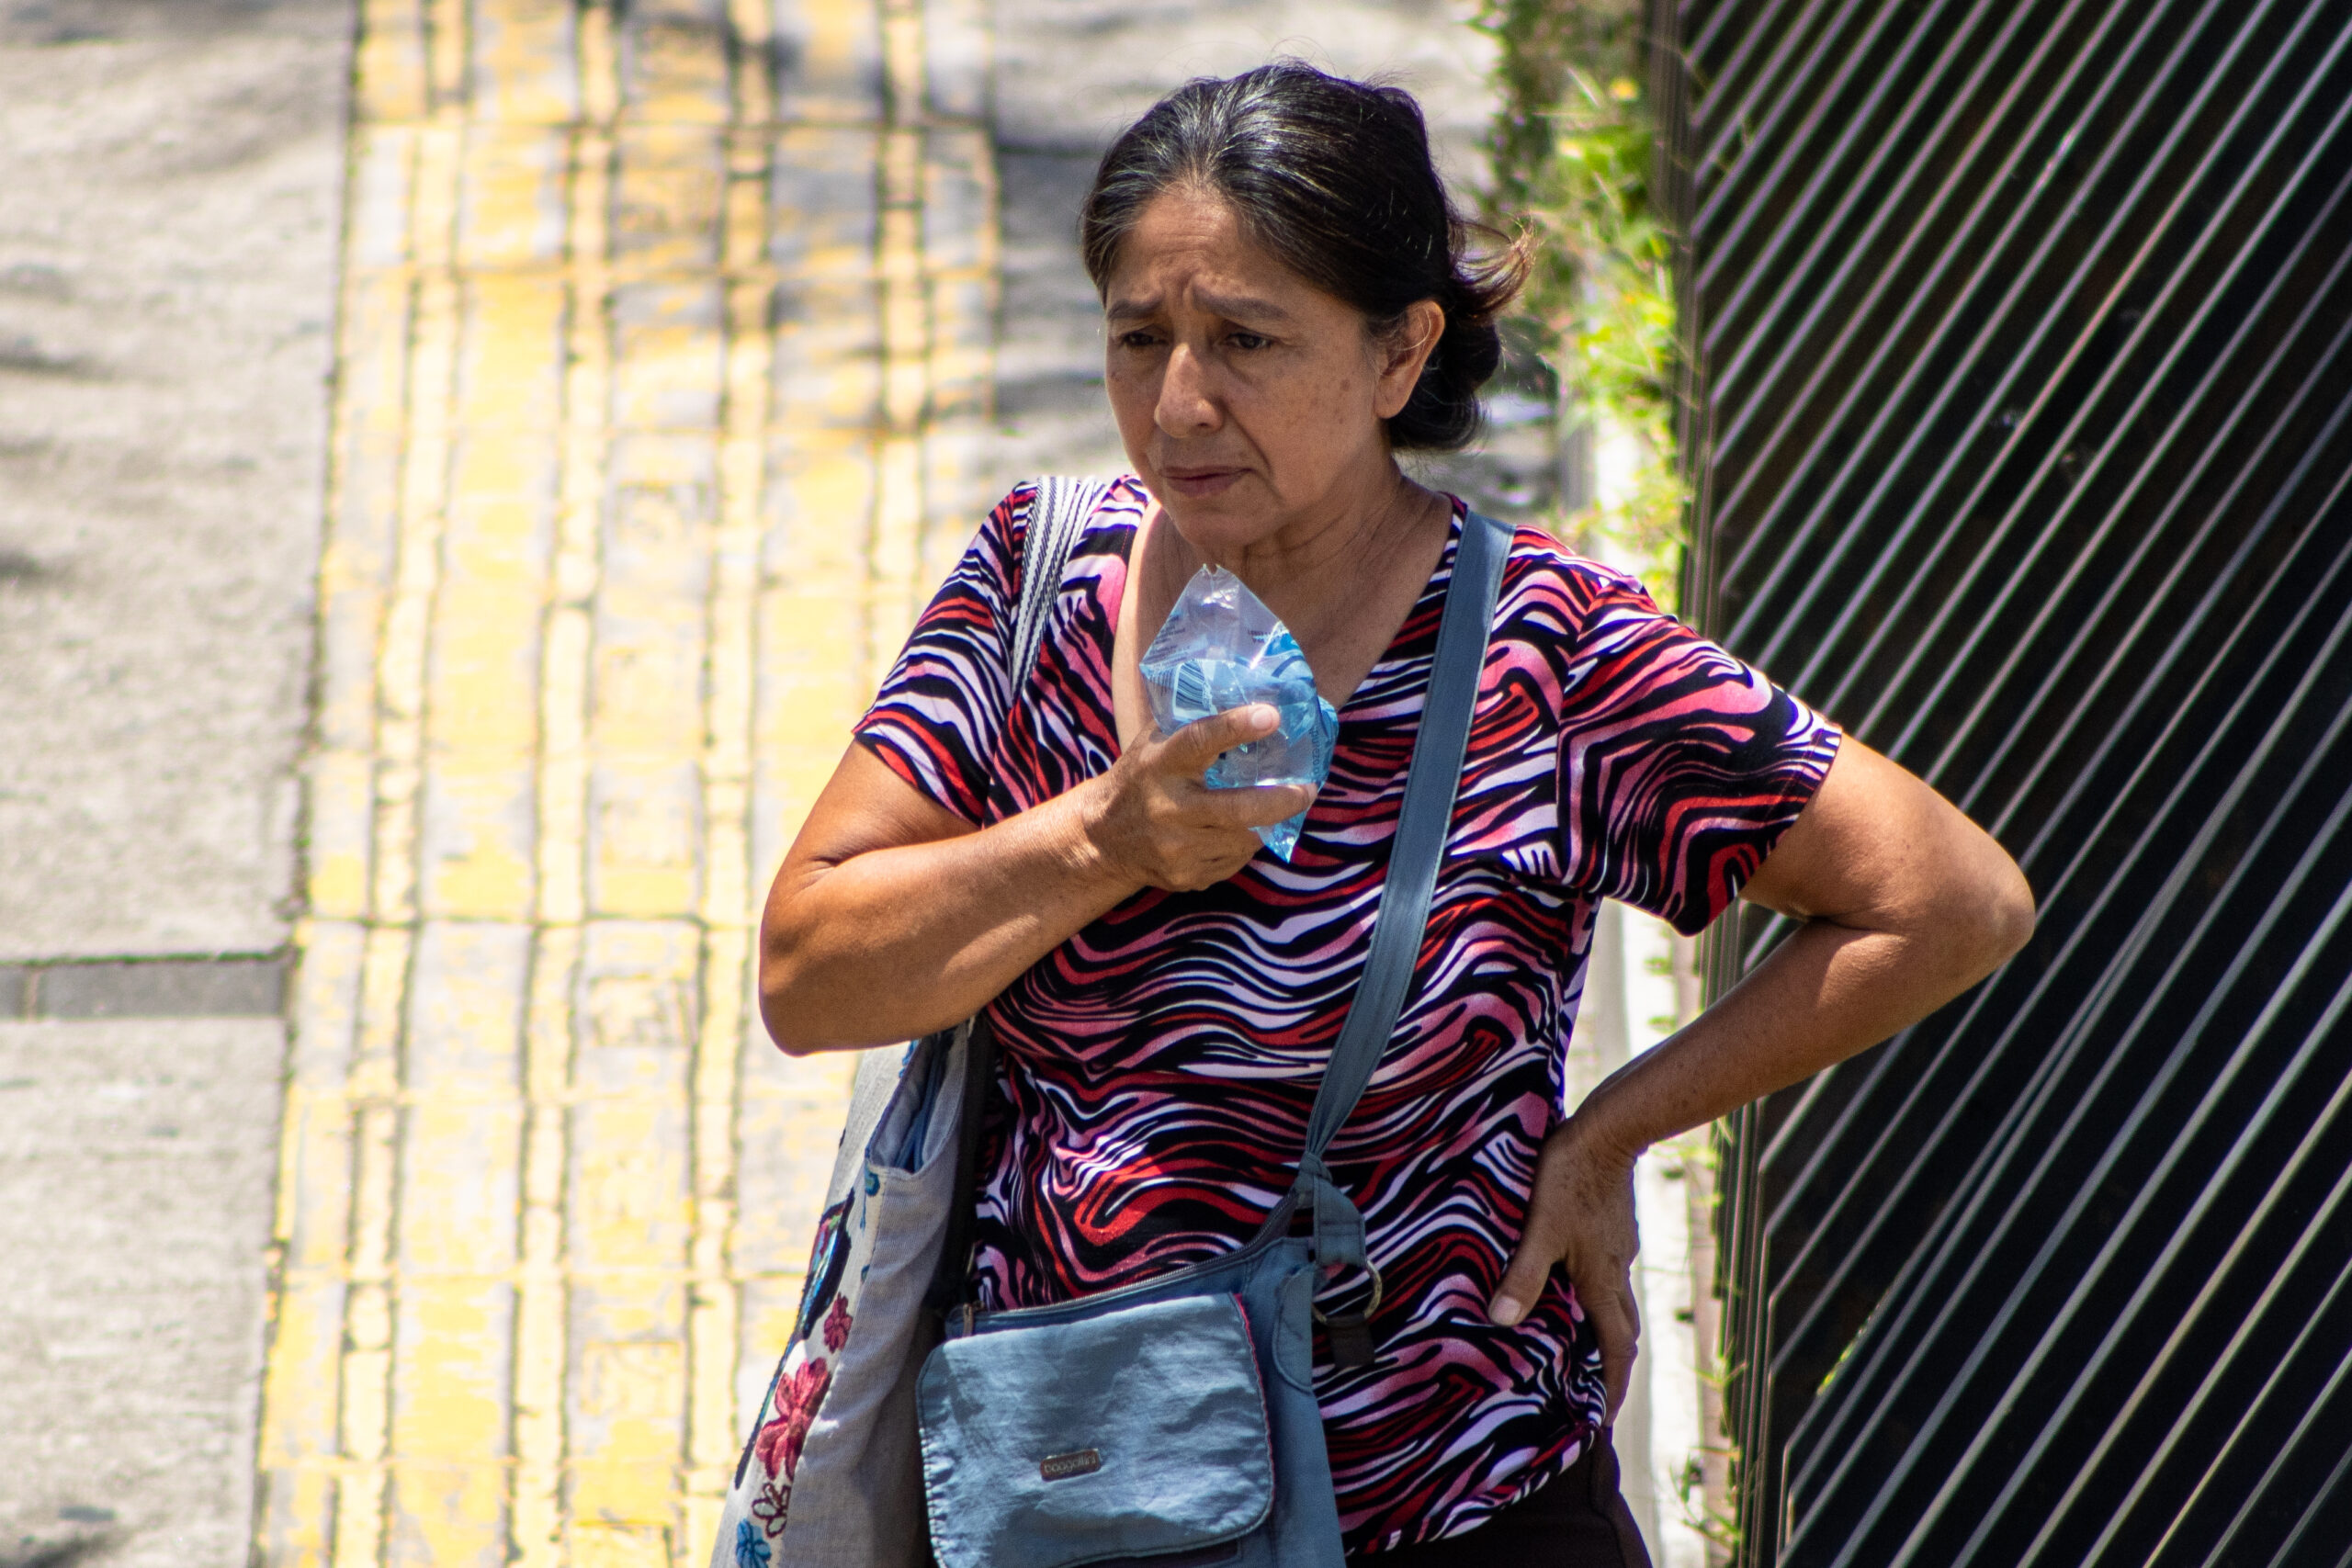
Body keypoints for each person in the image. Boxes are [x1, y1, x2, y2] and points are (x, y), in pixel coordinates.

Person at [758, 62, 2035, 1565]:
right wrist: (1104, 839)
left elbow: (1948, 900)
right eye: (1137, 337)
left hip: (1454, 1496)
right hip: (1078, 1482)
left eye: (1244, 341)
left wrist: (1608, 1135)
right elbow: (807, 973)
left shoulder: (1549, 651)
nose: (1179, 404)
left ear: (1396, 352)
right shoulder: (1038, 583)